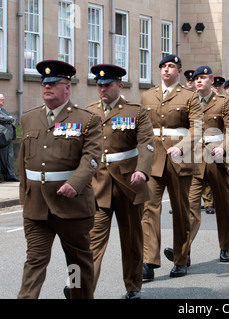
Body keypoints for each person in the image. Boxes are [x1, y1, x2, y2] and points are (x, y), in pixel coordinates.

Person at [17, 60, 102, 299]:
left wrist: (74, 184)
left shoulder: (87, 120)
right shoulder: (29, 118)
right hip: (36, 207)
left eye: (53, 83)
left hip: (71, 206)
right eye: (44, 83)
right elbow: (23, 161)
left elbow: (92, 158)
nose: (47, 87)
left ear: (67, 87)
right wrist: (24, 196)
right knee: (34, 260)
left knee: (76, 262)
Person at [86, 64, 155, 299]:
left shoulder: (135, 111)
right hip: (98, 185)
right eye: (99, 85)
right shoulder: (89, 113)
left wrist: (143, 171)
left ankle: (133, 286)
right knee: (91, 242)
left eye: (107, 85)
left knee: (132, 241)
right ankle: (83, 289)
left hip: (129, 184)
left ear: (119, 86)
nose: (102, 89)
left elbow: (146, 143)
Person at [141, 54, 203, 279]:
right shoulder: (148, 96)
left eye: (171, 66)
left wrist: (183, 147)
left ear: (179, 70)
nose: (167, 70)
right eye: (163, 67)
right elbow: (142, 129)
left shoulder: (189, 96)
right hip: (153, 160)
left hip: (179, 160)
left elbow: (197, 127)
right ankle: (149, 260)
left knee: (180, 210)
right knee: (149, 209)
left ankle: (180, 258)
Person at [186, 65, 229, 262]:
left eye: (202, 77)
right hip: (195, 161)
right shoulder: (189, 102)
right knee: (190, 206)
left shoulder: (223, 102)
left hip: (217, 160)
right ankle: (184, 250)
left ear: (211, 80)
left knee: (223, 206)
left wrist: (224, 147)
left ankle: (225, 246)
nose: (198, 80)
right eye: (195, 78)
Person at [0, 94, 19, 182]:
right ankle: (5, 175)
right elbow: (4, 118)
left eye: (3, 99)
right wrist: (9, 118)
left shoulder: (3, 109)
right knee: (3, 158)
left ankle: (10, 175)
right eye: (2, 99)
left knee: (10, 156)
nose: (4, 101)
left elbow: (10, 119)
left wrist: (9, 118)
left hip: (8, 136)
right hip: (2, 137)